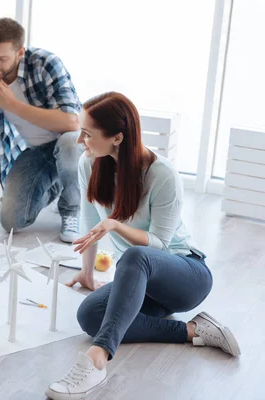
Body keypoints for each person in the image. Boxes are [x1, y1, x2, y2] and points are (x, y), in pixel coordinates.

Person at [45, 92, 240, 400]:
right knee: (90, 316)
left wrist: (115, 224)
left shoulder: (162, 174)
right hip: (141, 281)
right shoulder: (90, 164)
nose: (80, 140)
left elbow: (160, 244)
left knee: (135, 257)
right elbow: (87, 223)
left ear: (117, 137)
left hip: (184, 274)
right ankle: (195, 332)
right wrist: (86, 272)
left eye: (88, 134)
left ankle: (97, 359)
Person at [0, 17, 83, 242]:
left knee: (70, 142)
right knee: (10, 222)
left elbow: (72, 122)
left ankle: (71, 209)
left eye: (2, 58)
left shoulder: (46, 63)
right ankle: (53, 185)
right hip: (35, 153)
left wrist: (13, 105)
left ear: (20, 52)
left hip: (68, 144)